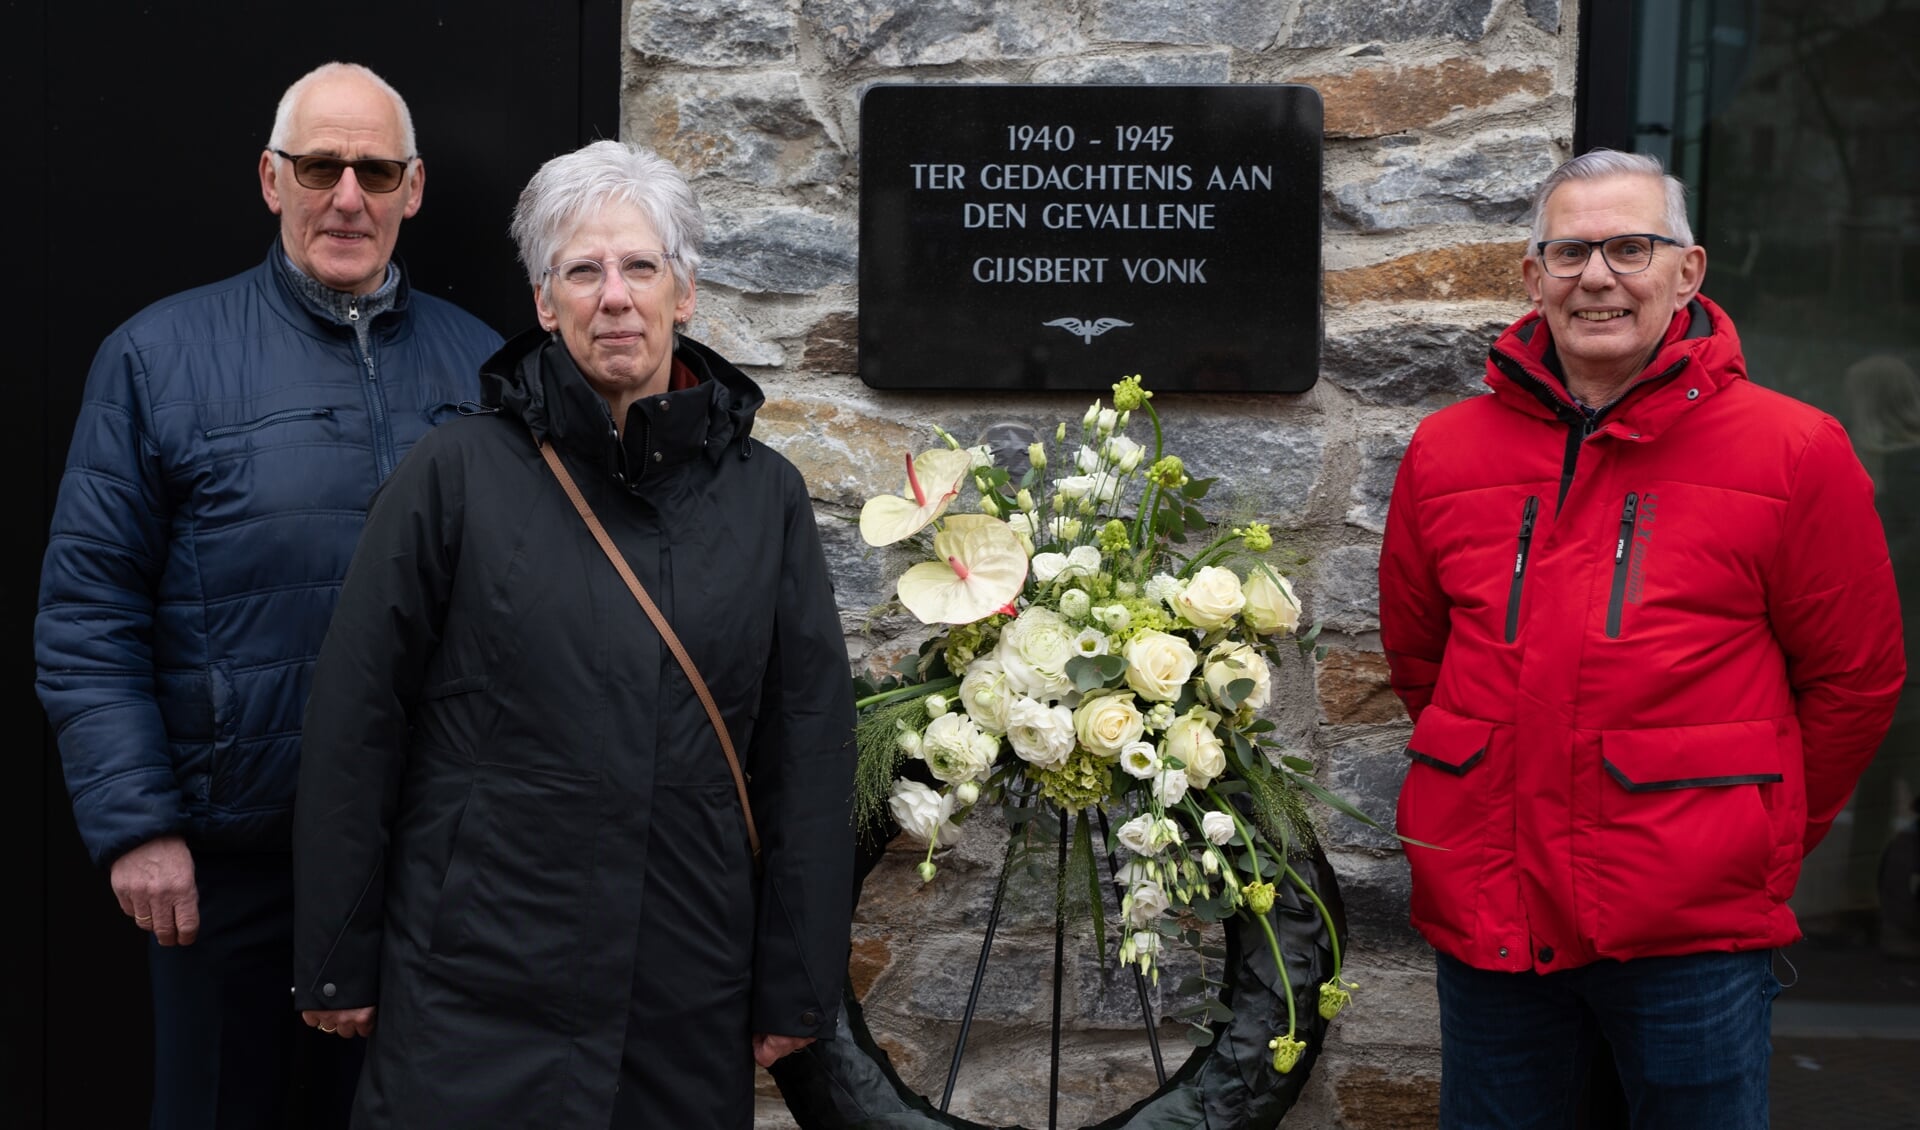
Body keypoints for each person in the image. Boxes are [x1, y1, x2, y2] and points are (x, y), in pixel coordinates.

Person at [290, 139, 856, 1128]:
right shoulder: (454, 474)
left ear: (685, 291)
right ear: (546, 304)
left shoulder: (764, 497)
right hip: (472, 989)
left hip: (679, 993)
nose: (615, 296)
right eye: (583, 271)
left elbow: (808, 744)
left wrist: (799, 976)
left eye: (641, 266)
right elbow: (356, 715)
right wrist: (338, 955)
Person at [1377, 149, 1904, 1128]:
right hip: (1497, 915)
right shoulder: (1448, 452)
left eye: (1631, 246)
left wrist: (1761, 832)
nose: (1599, 275)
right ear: (1534, 277)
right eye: (1571, 250)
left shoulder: (1794, 450)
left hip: (1690, 926)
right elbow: (1422, 657)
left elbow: (1856, 679)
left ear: (1687, 271)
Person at [34, 61, 500, 1128]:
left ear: (414, 188)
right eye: (319, 165)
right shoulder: (158, 358)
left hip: (422, 869)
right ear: (269, 177)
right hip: (229, 869)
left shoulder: (483, 368)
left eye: (375, 170)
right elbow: (87, 614)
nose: (348, 195)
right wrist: (136, 825)